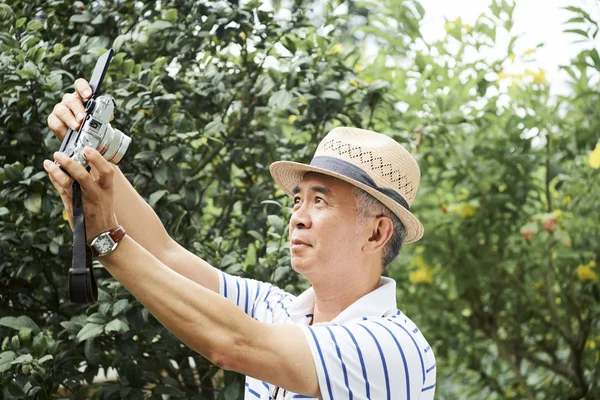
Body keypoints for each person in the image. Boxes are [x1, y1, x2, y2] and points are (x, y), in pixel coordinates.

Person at [45, 79, 437, 399]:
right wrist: (90, 148)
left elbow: (234, 344)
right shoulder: (277, 309)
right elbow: (164, 254)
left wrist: (108, 242)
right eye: (298, 199)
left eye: (320, 201)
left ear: (377, 232)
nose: (298, 217)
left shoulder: (392, 346)